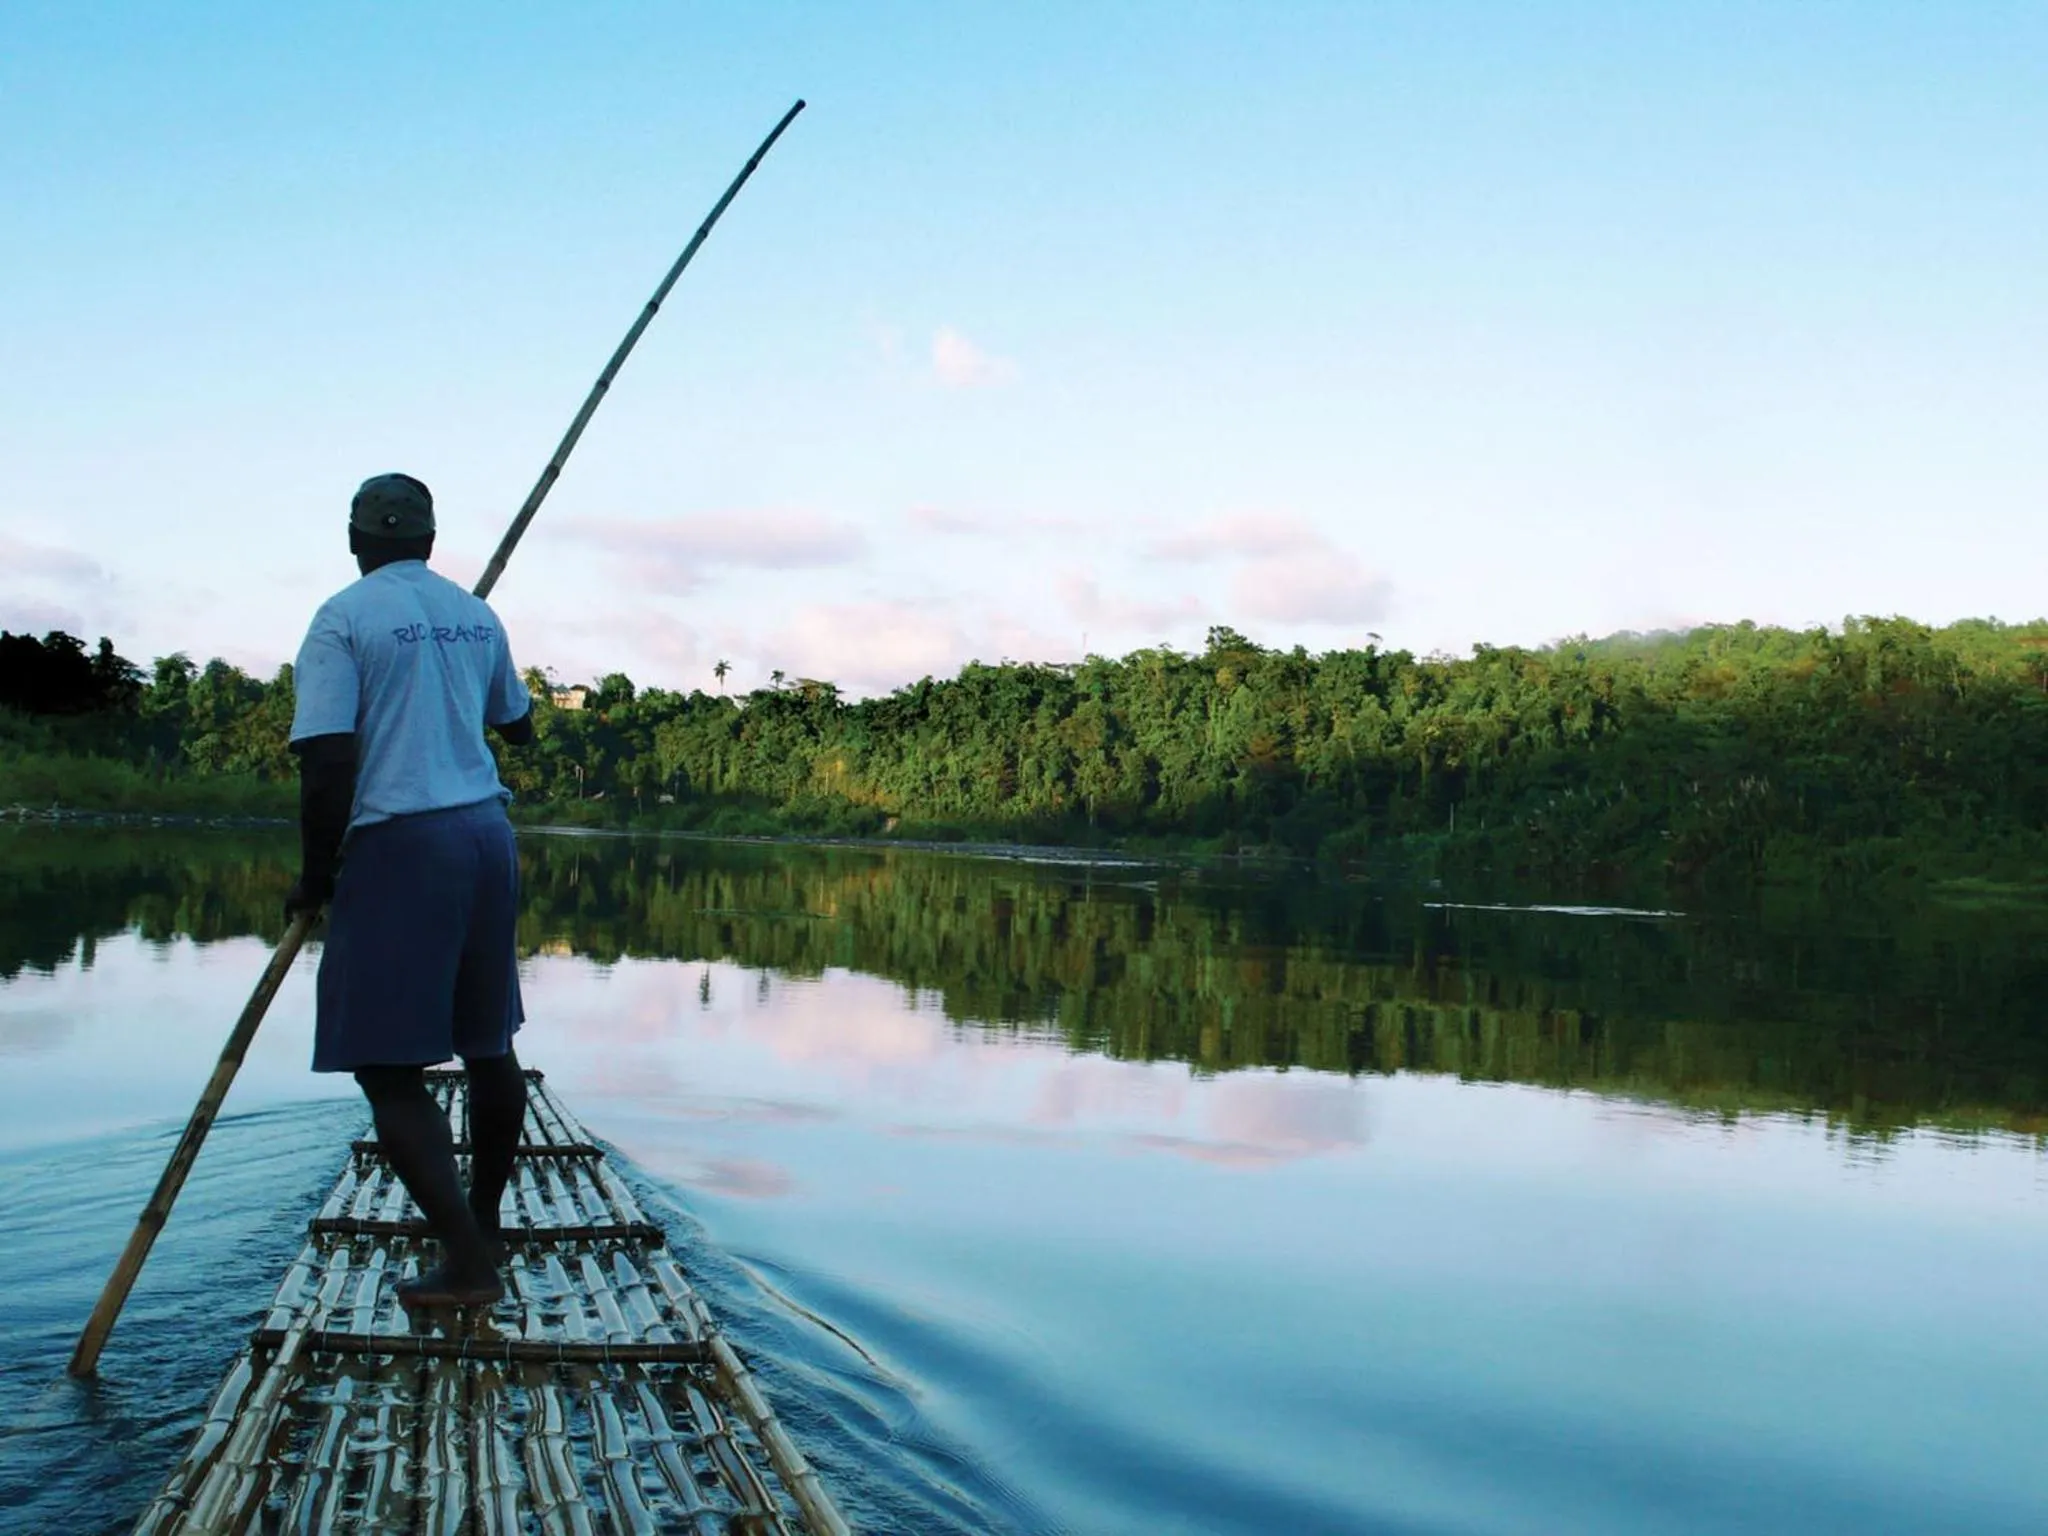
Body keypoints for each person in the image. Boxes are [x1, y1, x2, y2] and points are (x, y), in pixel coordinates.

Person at [286, 472, 536, 1308]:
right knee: (488, 1045)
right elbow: (519, 724)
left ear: (357, 541)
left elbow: (327, 763)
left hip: (403, 843)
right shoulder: (477, 613)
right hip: (485, 838)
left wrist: (317, 876)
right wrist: (456, 664)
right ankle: (486, 1223)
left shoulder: (342, 619)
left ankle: (469, 1263)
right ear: (429, 542)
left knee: (388, 1069)